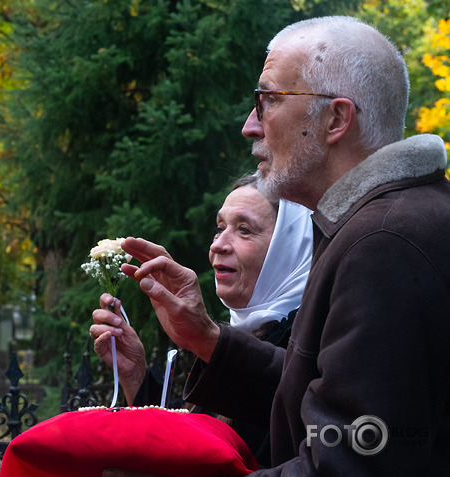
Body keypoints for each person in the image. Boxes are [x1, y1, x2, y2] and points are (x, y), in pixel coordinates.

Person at [105, 15, 450, 476]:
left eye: (267, 100)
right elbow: (319, 400)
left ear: (336, 119)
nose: (251, 125)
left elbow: (350, 463)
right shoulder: (390, 220)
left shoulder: (384, 242)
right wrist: (208, 339)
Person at [91, 175, 311, 464]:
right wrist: (135, 375)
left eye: (244, 230)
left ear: (291, 247)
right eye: (219, 229)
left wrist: (208, 340)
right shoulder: (241, 331)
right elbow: (192, 442)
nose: (218, 244)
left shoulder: (312, 337)